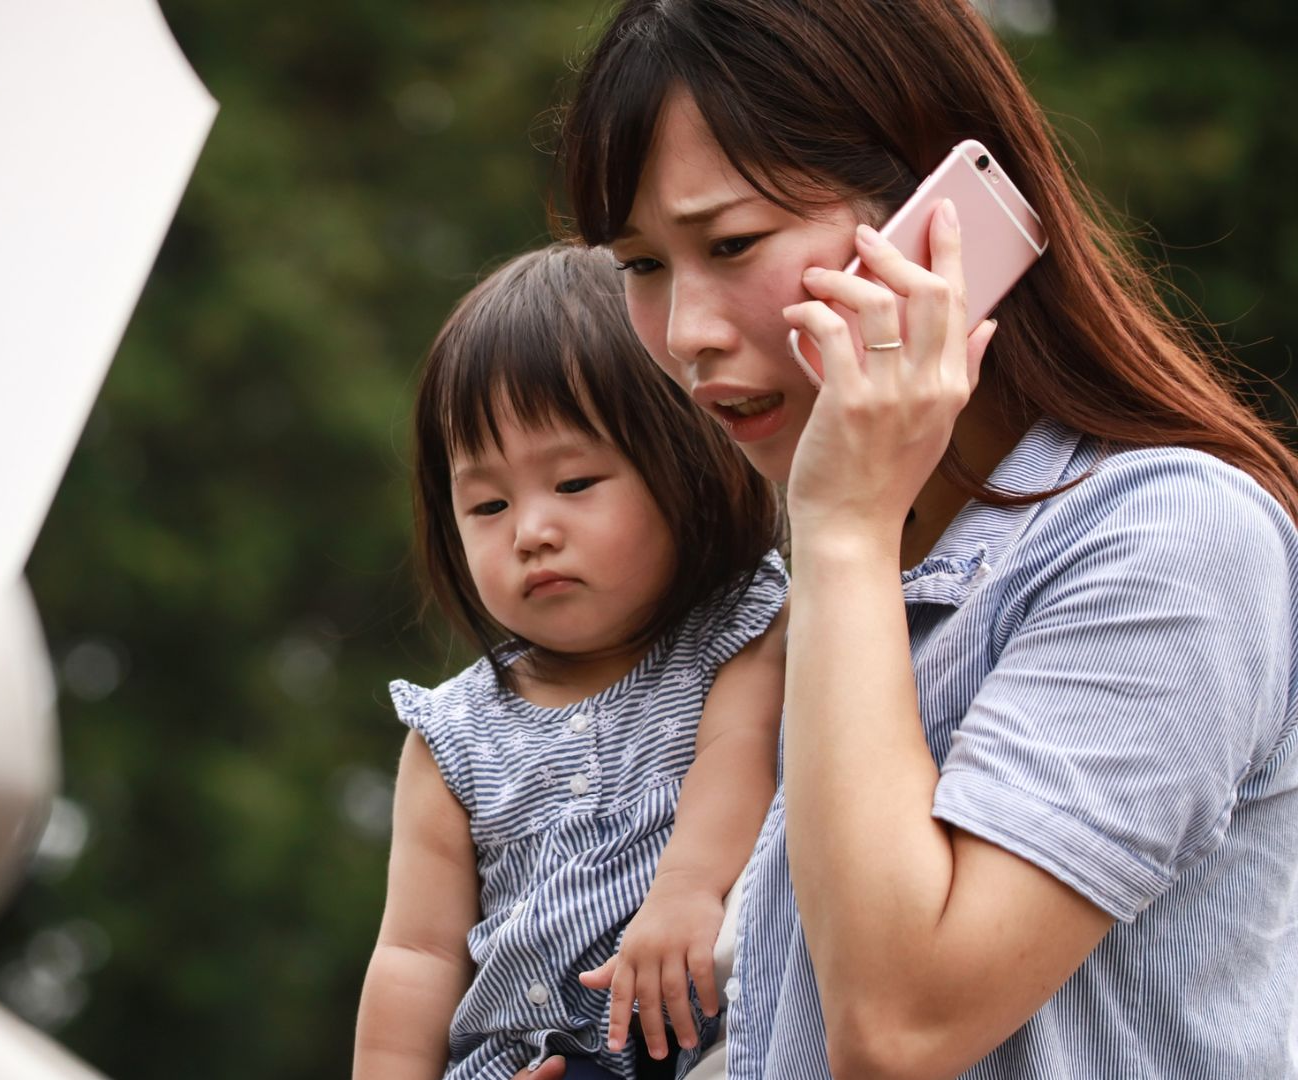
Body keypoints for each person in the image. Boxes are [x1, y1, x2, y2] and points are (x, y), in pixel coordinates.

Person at [519, 1, 1298, 1078]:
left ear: (941, 223)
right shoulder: (870, 581)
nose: (687, 333)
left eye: (732, 243)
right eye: (642, 266)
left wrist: (842, 527)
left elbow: (903, 1027)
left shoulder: (1171, 538)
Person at [353, 241, 792, 1080]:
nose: (531, 532)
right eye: (487, 503)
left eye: (576, 483)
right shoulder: (452, 736)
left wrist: (686, 893)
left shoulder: (740, 633)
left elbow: (737, 762)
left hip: (679, 1042)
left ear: (686, 460)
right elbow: (414, 955)